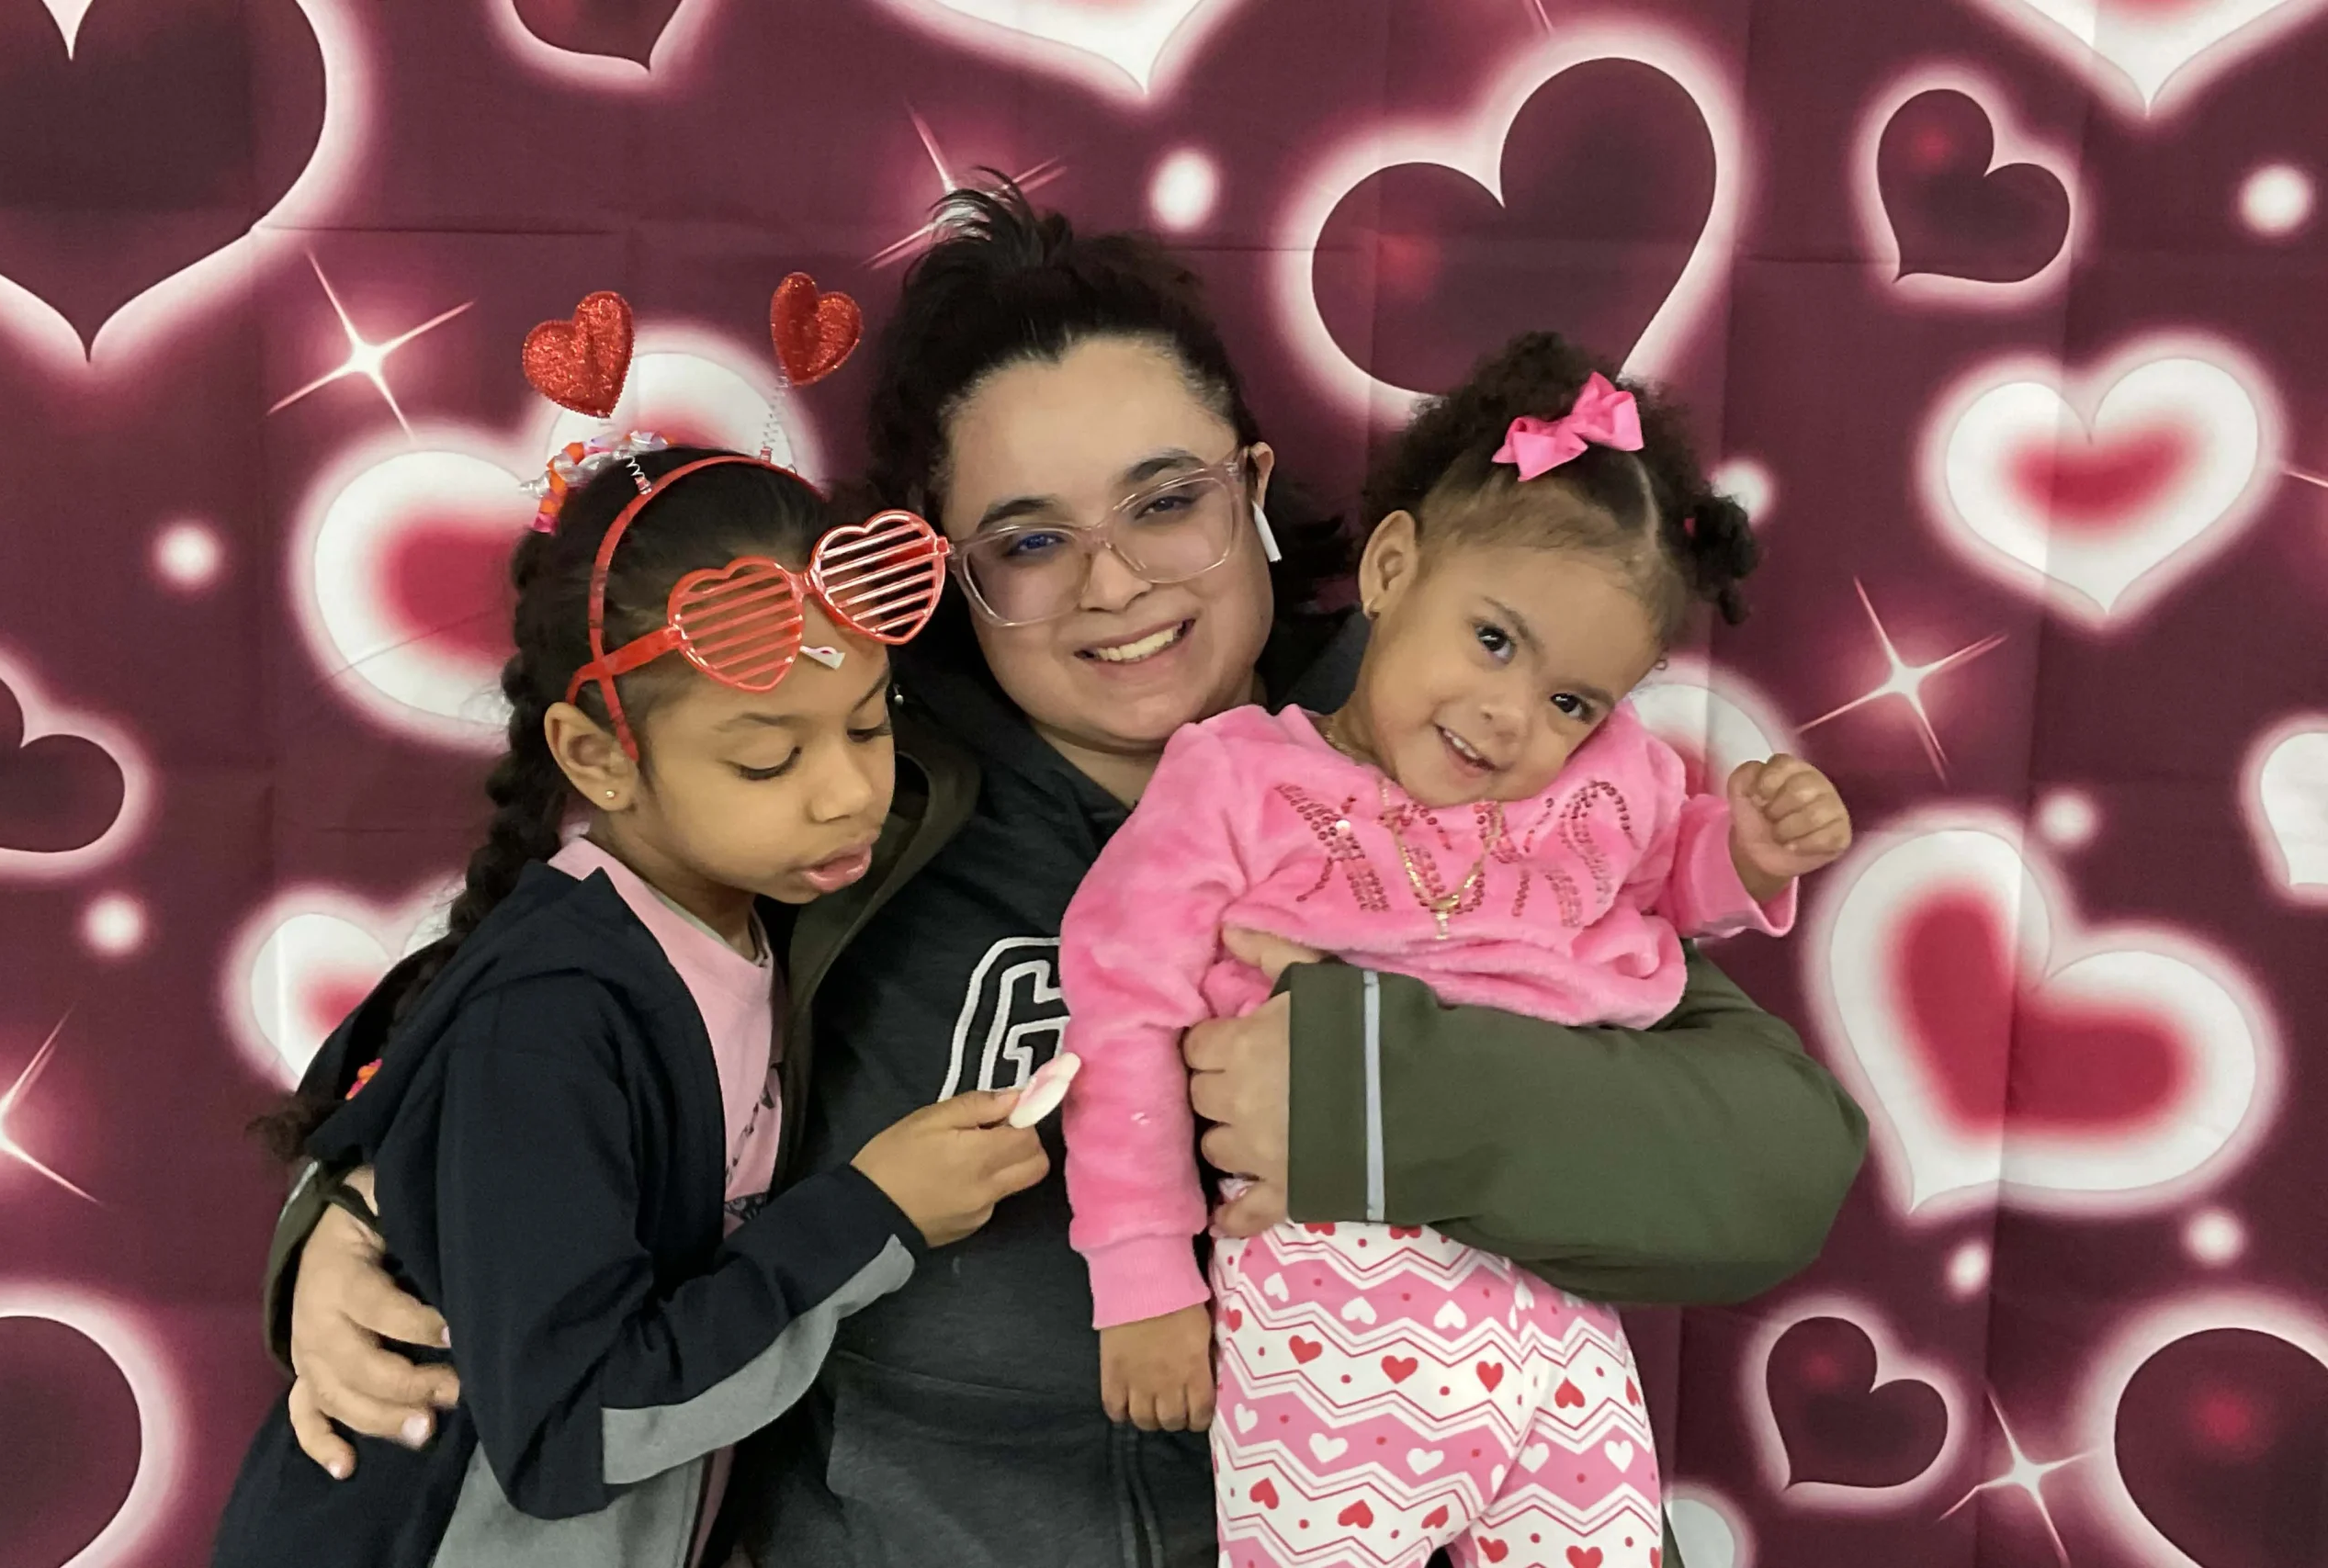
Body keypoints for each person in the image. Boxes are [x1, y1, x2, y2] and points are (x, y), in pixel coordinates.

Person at [260, 185, 1868, 1568]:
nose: (1115, 582)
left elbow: (1776, 1163)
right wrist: (350, 1212)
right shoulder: (856, 802)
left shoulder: (1464, 762)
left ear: (1255, 489)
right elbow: (541, 1003)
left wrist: (1372, 1094)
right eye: (1030, 540)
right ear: (949, 572)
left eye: (1166, 501)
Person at [1057, 334, 1854, 1568]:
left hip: (1556, 1282)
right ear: (1391, 567)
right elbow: (1124, 1017)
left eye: (1572, 700)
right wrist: (1145, 1278)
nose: (1510, 715)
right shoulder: (1235, 782)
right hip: (1339, 1293)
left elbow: (1653, 886)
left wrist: (1745, 854)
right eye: (1492, 640)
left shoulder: (1602, 785)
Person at [214, 441, 1049, 1567]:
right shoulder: (549, 1020)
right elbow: (573, 1428)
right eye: (767, 761)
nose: (850, 792)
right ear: (597, 758)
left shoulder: (753, 906)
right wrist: (874, 1216)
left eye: (868, 722)